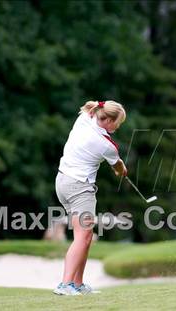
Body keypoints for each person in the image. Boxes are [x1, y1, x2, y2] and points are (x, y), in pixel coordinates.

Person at [53, 100, 127, 295]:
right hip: (80, 188)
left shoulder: (85, 118)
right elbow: (117, 165)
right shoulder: (107, 144)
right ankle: (65, 285)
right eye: (117, 123)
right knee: (83, 236)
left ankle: (77, 284)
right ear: (109, 120)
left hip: (62, 182)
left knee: (85, 238)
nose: (117, 127)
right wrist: (122, 170)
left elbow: (93, 108)